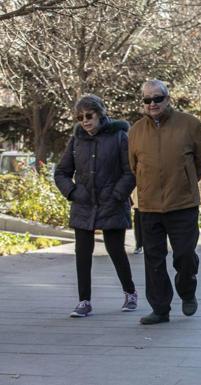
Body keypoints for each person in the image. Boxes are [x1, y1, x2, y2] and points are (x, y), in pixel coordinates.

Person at [128, 79, 201, 325]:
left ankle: (187, 291)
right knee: (153, 259)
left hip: (183, 204)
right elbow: (134, 166)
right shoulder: (135, 131)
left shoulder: (190, 124)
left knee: (184, 255)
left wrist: (185, 182)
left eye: (157, 98)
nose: (152, 104)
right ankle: (160, 309)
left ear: (167, 98)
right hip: (149, 206)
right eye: (147, 100)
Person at [54, 94, 138, 317]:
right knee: (82, 252)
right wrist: (72, 192)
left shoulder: (120, 137)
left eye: (89, 116)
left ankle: (130, 292)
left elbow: (130, 171)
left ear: (100, 114)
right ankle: (84, 301)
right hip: (84, 204)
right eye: (80, 117)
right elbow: (61, 172)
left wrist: (117, 195)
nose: (84, 121)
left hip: (112, 203)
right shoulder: (76, 140)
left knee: (115, 250)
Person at [130, 188, 143, 254]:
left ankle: (142, 245)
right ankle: (139, 245)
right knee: (138, 228)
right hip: (137, 206)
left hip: (148, 206)